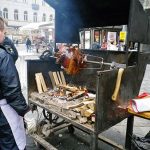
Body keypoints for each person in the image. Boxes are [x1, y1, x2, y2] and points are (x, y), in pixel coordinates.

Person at [0, 17, 29, 150]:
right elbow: (12, 90)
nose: (5, 36)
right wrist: (25, 111)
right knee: (11, 144)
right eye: (4, 32)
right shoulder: (3, 56)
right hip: (4, 112)